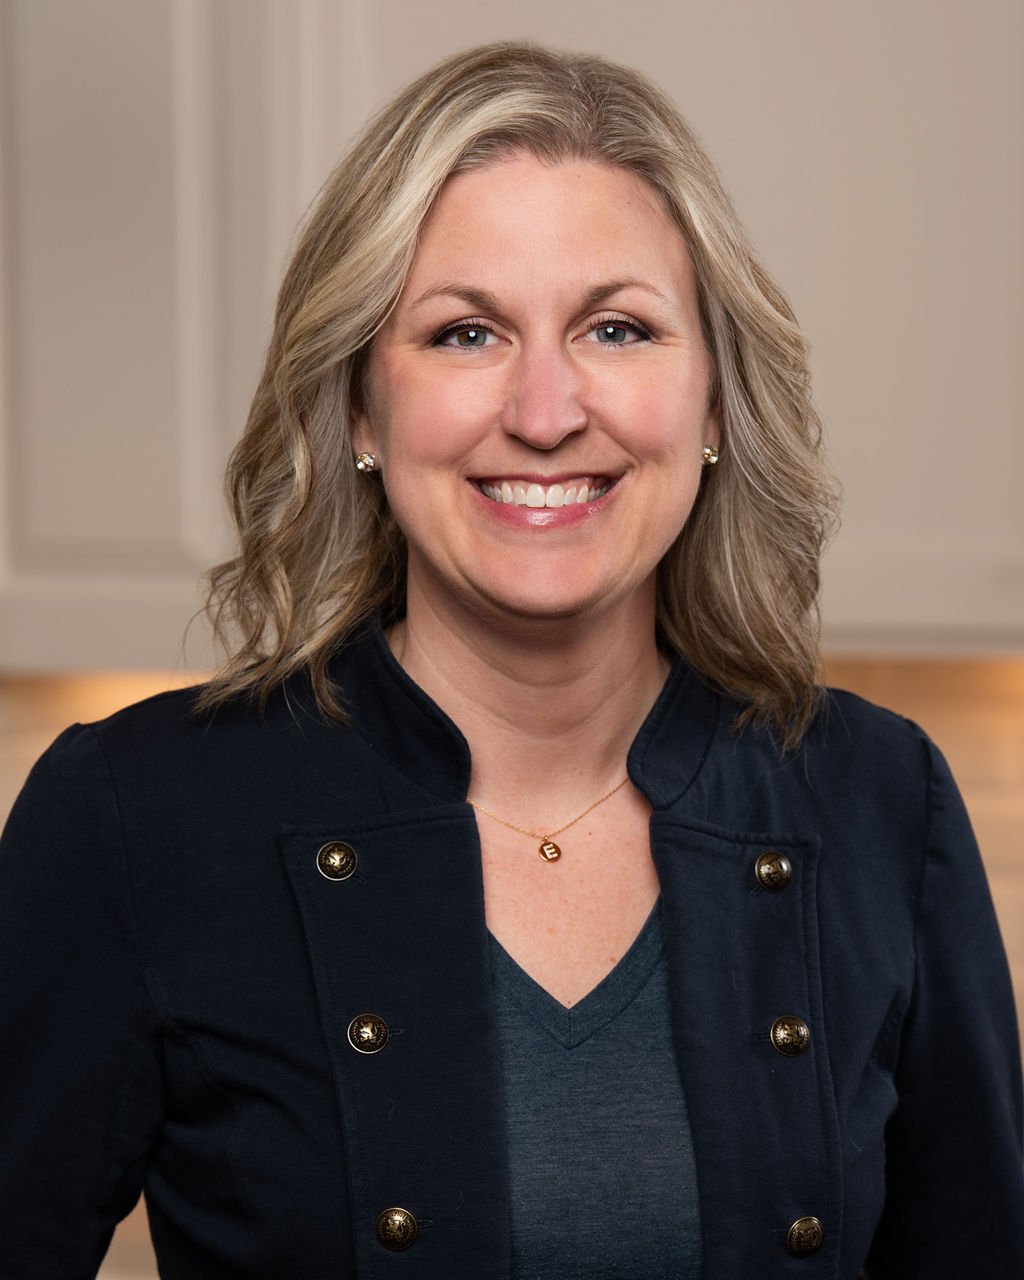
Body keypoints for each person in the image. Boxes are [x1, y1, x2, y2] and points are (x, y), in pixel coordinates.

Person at [1, 41, 1021, 1279]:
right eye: (466, 331)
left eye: (617, 326)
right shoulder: (132, 813)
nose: (544, 411)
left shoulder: (878, 800)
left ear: (710, 405)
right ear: (364, 410)